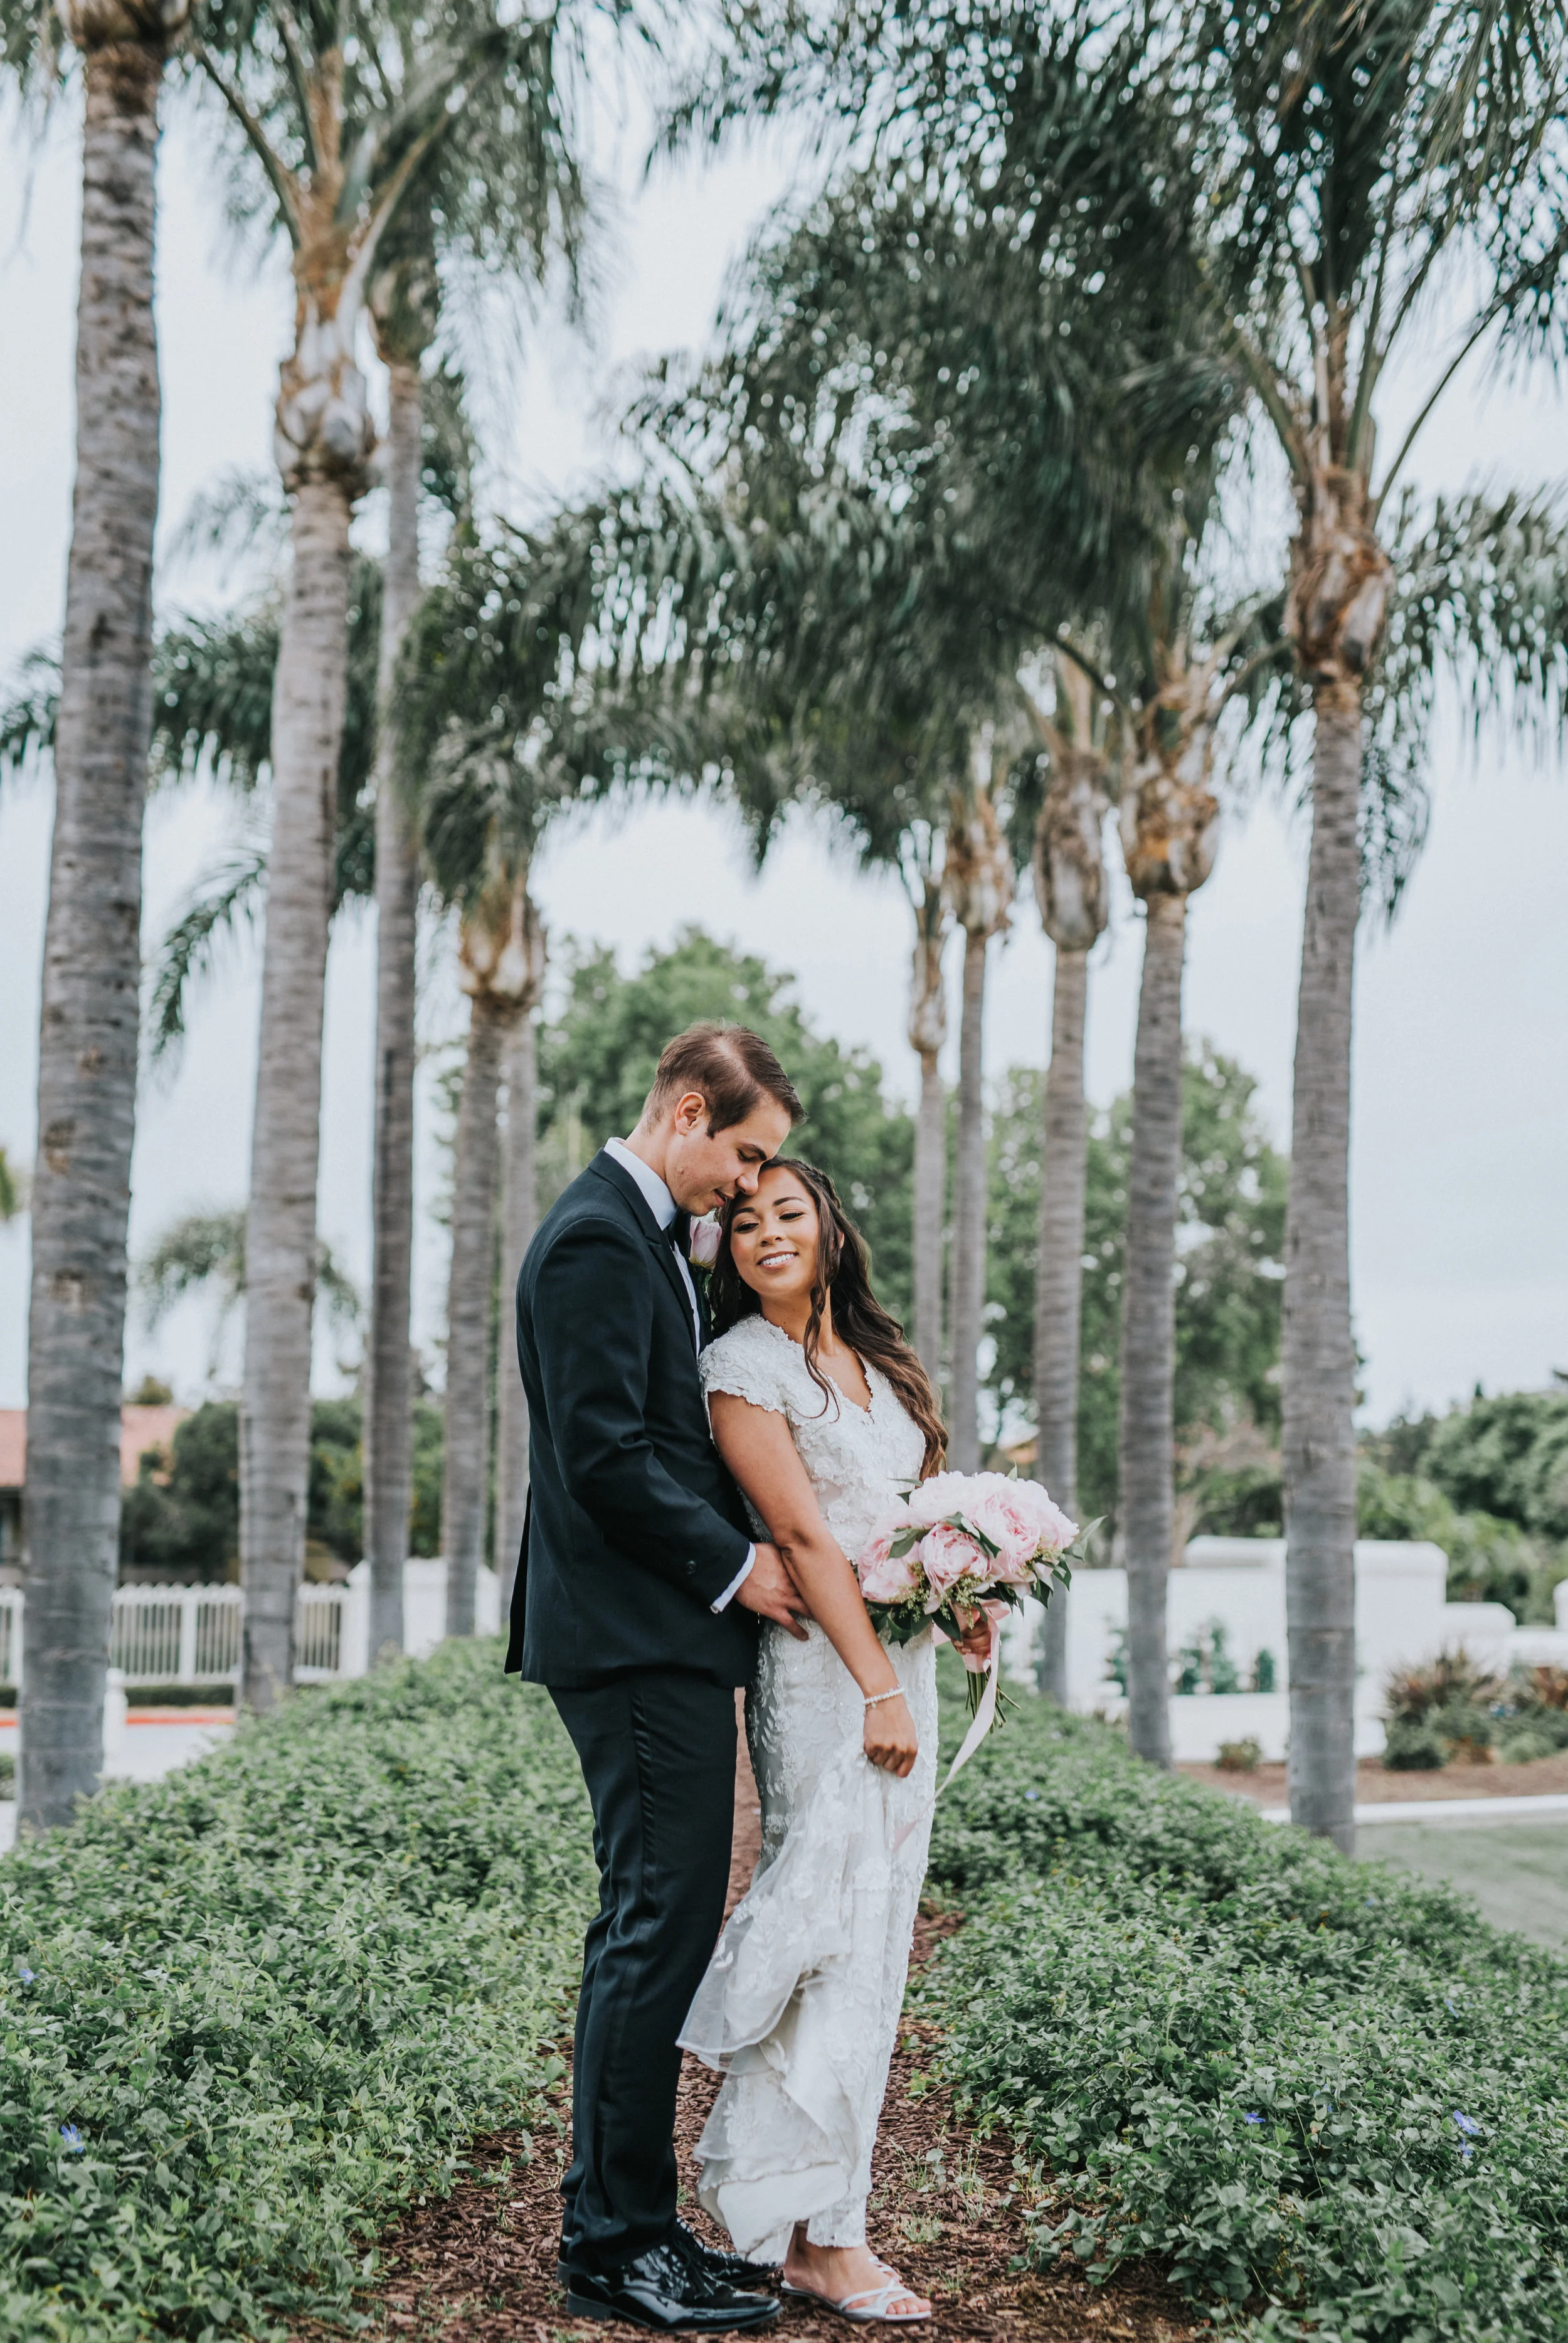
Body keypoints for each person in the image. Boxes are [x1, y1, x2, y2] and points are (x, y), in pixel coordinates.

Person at [506, 1023, 809, 2332]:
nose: (746, 1186)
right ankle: (613, 2241)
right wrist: (740, 1569)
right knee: (652, 1929)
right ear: (685, 1112)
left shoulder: (644, 1241)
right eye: (743, 1154)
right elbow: (605, 1455)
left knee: (657, 1925)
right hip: (632, 1636)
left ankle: (634, 2223)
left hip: (653, 1637)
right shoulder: (591, 1238)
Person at [680, 1158, 985, 2325]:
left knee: (881, 1937)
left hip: (899, 1669)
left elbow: (905, 1517)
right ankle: (810, 2232)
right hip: (828, 1678)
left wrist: (961, 1593)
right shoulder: (741, 1367)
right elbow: (803, 1537)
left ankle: (829, 2215)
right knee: (829, 1933)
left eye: (787, 1212)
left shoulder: (881, 1367)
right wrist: (875, 1689)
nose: (764, 1231)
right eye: (742, 1220)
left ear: (829, 1228)